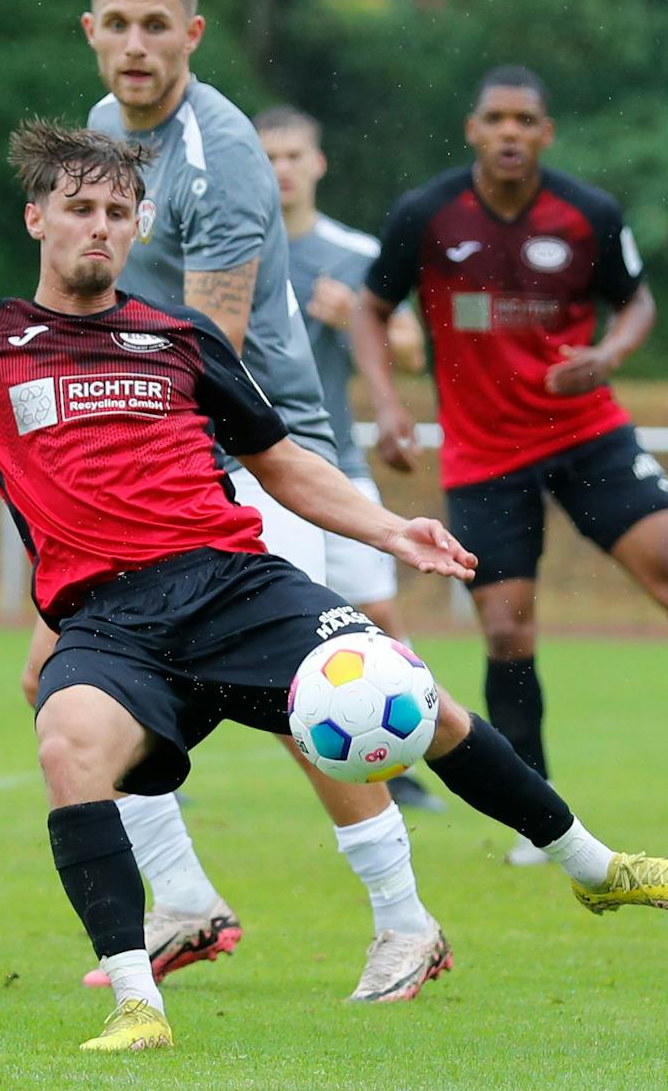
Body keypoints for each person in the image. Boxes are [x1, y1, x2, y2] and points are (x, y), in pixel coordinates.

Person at [0, 118, 668, 1052]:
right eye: (79, 207)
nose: (100, 226)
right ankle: (135, 998)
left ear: (138, 227)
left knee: (408, 698)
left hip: (234, 585)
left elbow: (283, 463)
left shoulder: (177, 337)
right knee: (68, 742)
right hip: (107, 620)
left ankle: (591, 865)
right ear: (38, 219)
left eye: (119, 210)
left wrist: (390, 526)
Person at [35, 0, 447, 1005]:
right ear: (90, 31)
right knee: (63, 682)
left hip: (249, 459)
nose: (133, 44)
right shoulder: (99, 136)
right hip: (161, 465)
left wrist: (143, 477)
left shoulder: (218, 151)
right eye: (115, 24)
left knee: (314, 710)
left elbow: (204, 356)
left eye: (154, 25)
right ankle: (180, 897)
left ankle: (405, 924)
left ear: (191, 33)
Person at [353, 65, 668, 866]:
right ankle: (537, 817)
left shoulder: (588, 213)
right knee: (507, 630)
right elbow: (372, 308)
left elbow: (637, 298)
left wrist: (610, 352)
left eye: (526, 121)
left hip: (587, 433)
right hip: (484, 452)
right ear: (473, 130)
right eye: (496, 119)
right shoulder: (427, 214)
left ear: (546, 134)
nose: (511, 133)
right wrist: (392, 402)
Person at [255, 103, 444, 814]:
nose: (281, 170)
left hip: (332, 460)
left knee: (376, 613)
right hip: (241, 466)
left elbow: (411, 349)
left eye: (293, 156)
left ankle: (407, 757)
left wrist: (350, 316)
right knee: (260, 623)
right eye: (268, 157)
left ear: (317, 164)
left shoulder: (351, 252)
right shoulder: (232, 244)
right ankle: (160, 761)